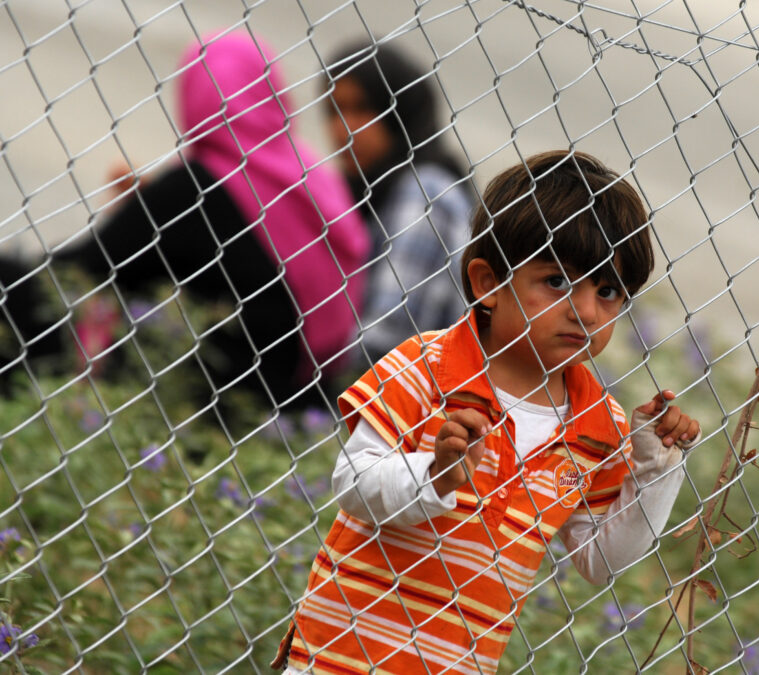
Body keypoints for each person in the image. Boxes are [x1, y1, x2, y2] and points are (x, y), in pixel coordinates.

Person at [273, 150, 702, 673]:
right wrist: (435, 474)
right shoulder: (422, 368)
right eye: (557, 281)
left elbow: (599, 559)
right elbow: (352, 483)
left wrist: (657, 468)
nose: (586, 311)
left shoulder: (598, 425)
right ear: (487, 284)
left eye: (608, 291)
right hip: (337, 659)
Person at [0, 31, 370, 409]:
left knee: (13, 284)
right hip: (310, 388)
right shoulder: (310, 175)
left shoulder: (197, 189)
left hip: (226, 397)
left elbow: (83, 267)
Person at [324, 41, 473, 365]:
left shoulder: (424, 190)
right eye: (335, 110)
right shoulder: (363, 193)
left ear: (399, 111)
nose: (343, 128)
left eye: (361, 109)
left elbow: (387, 335)